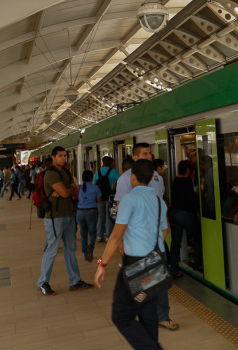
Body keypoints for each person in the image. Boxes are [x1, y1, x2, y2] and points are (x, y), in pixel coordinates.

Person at [94, 159, 169, 349]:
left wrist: (102, 264)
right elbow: (165, 231)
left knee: (120, 315)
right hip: (155, 263)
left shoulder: (129, 199)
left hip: (135, 264)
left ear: (133, 177)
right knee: (148, 316)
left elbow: (116, 235)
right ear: (152, 178)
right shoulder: (160, 202)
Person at [114, 143, 177, 331]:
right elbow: (121, 210)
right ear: (135, 157)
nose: (149, 156)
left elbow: (160, 204)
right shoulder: (125, 180)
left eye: (150, 153)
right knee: (136, 279)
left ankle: (162, 316)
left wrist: (164, 232)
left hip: (155, 240)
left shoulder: (156, 177)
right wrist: (122, 240)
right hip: (134, 240)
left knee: (159, 279)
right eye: (144, 153)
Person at [36, 146, 94, 296]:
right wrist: (68, 190)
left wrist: (66, 191)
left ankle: (75, 281)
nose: (63, 158)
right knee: (52, 249)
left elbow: (75, 192)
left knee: (71, 249)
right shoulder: (50, 174)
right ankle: (43, 282)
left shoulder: (66, 172)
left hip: (69, 215)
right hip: (55, 217)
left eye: (64, 156)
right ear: (53, 157)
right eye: (60, 156)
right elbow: (69, 190)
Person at [169, 159, 202, 278]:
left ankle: (173, 270)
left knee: (175, 243)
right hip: (185, 214)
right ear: (188, 170)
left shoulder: (175, 180)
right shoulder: (187, 181)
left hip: (173, 213)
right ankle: (197, 263)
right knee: (197, 236)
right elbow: (190, 201)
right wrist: (196, 211)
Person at [77, 170, 102, 263]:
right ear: (92, 178)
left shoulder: (79, 187)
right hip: (91, 211)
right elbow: (99, 200)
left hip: (80, 212)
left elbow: (75, 198)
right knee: (92, 232)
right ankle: (90, 247)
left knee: (83, 233)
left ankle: (85, 254)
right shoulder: (95, 188)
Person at [95, 156, 119, 242]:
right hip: (111, 197)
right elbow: (119, 183)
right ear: (111, 163)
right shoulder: (115, 172)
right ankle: (108, 236)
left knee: (101, 216)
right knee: (109, 216)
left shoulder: (97, 173)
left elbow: (94, 185)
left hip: (100, 198)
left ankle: (99, 235)